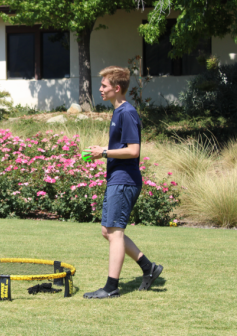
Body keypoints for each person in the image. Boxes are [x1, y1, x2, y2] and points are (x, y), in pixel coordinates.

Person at [83, 66, 163, 299]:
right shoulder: (118, 112)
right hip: (117, 179)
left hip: (125, 180)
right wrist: (102, 152)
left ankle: (111, 288)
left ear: (117, 89)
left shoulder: (127, 113)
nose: (100, 89)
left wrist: (104, 152)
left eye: (104, 86)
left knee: (115, 232)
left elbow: (133, 150)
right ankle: (149, 268)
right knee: (107, 231)